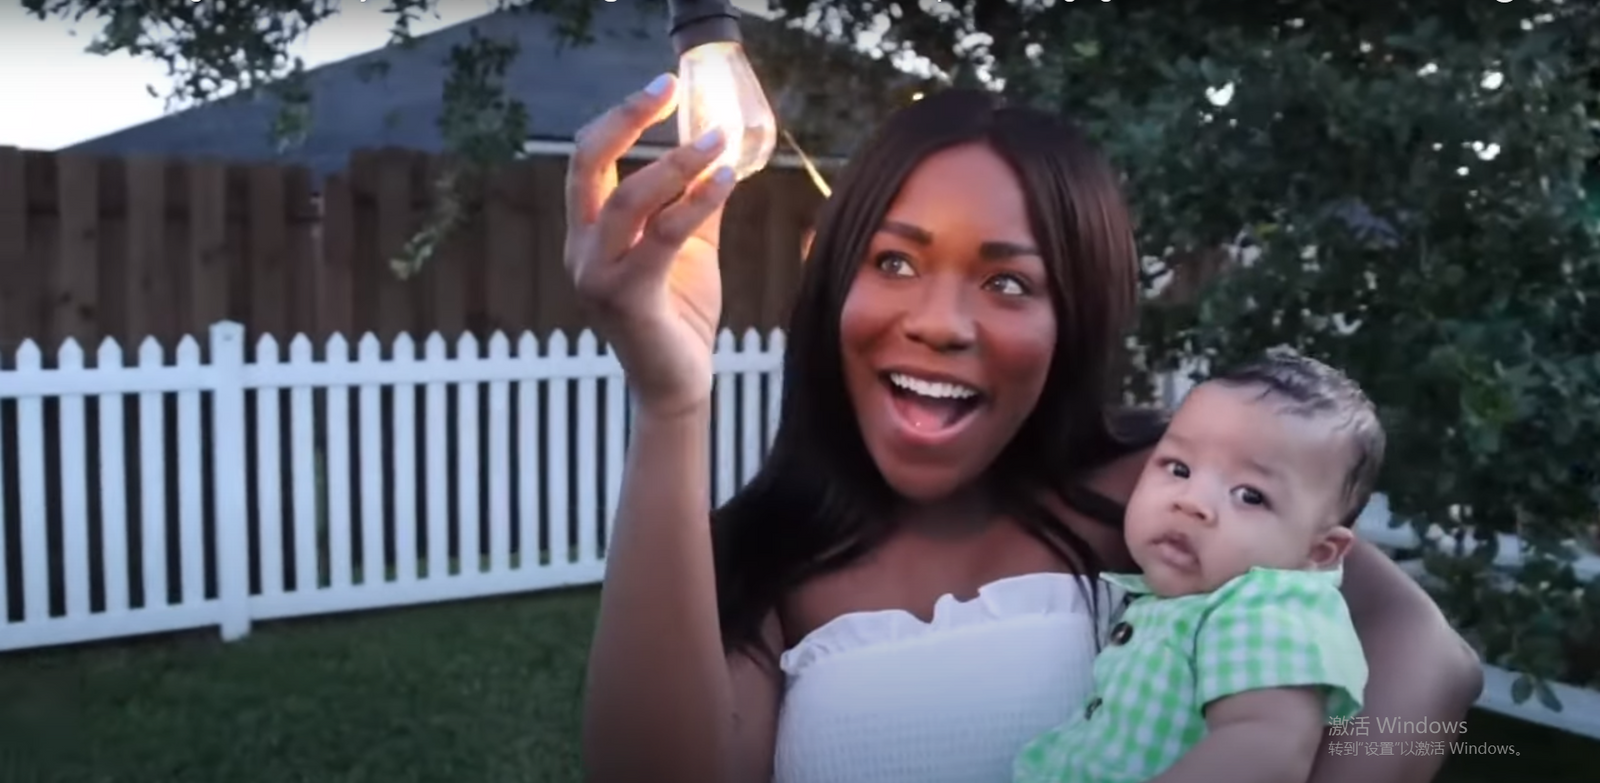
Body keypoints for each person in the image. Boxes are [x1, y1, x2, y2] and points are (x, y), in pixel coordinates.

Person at [566, 77, 1482, 783]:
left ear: (1072, 317)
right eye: (895, 261)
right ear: (837, 279)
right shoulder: (755, 558)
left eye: (1008, 282)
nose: (939, 323)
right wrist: (670, 401)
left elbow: (1427, 654)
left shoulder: (1163, 489)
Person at [1013, 352, 1382, 783]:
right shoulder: (1185, 600)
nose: (1191, 502)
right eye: (1179, 469)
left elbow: (1266, 749)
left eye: (1249, 495)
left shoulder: (1267, 610)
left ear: (1319, 552)